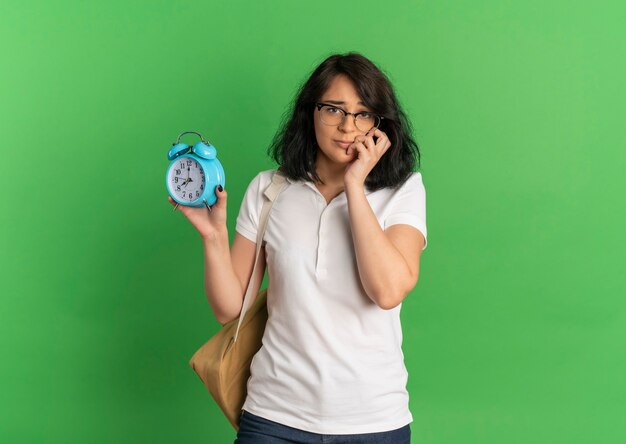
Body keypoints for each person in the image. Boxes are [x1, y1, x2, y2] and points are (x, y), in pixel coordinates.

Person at [169, 52, 427, 443]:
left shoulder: (402, 191)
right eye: (333, 109)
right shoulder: (270, 189)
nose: (347, 126)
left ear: (380, 124)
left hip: (373, 422)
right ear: (311, 112)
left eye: (363, 114)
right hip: (273, 416)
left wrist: (356, 185)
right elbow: (228, 309)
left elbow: (387, 291)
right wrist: (214, 237)